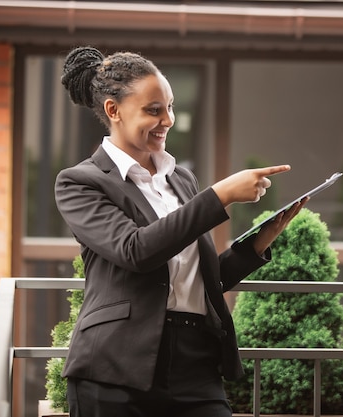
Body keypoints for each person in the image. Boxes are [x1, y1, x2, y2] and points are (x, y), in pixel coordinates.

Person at [55, 46, 306, 417]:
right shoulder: (80, 182)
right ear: (114, 110)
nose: (168, 119)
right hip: (115, 369)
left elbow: (200, 279)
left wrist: (258, 243)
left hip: (196, 362)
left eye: (170, 107)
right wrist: (220, 196)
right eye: (153, 109)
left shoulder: (180, 180)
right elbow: (136, 251)